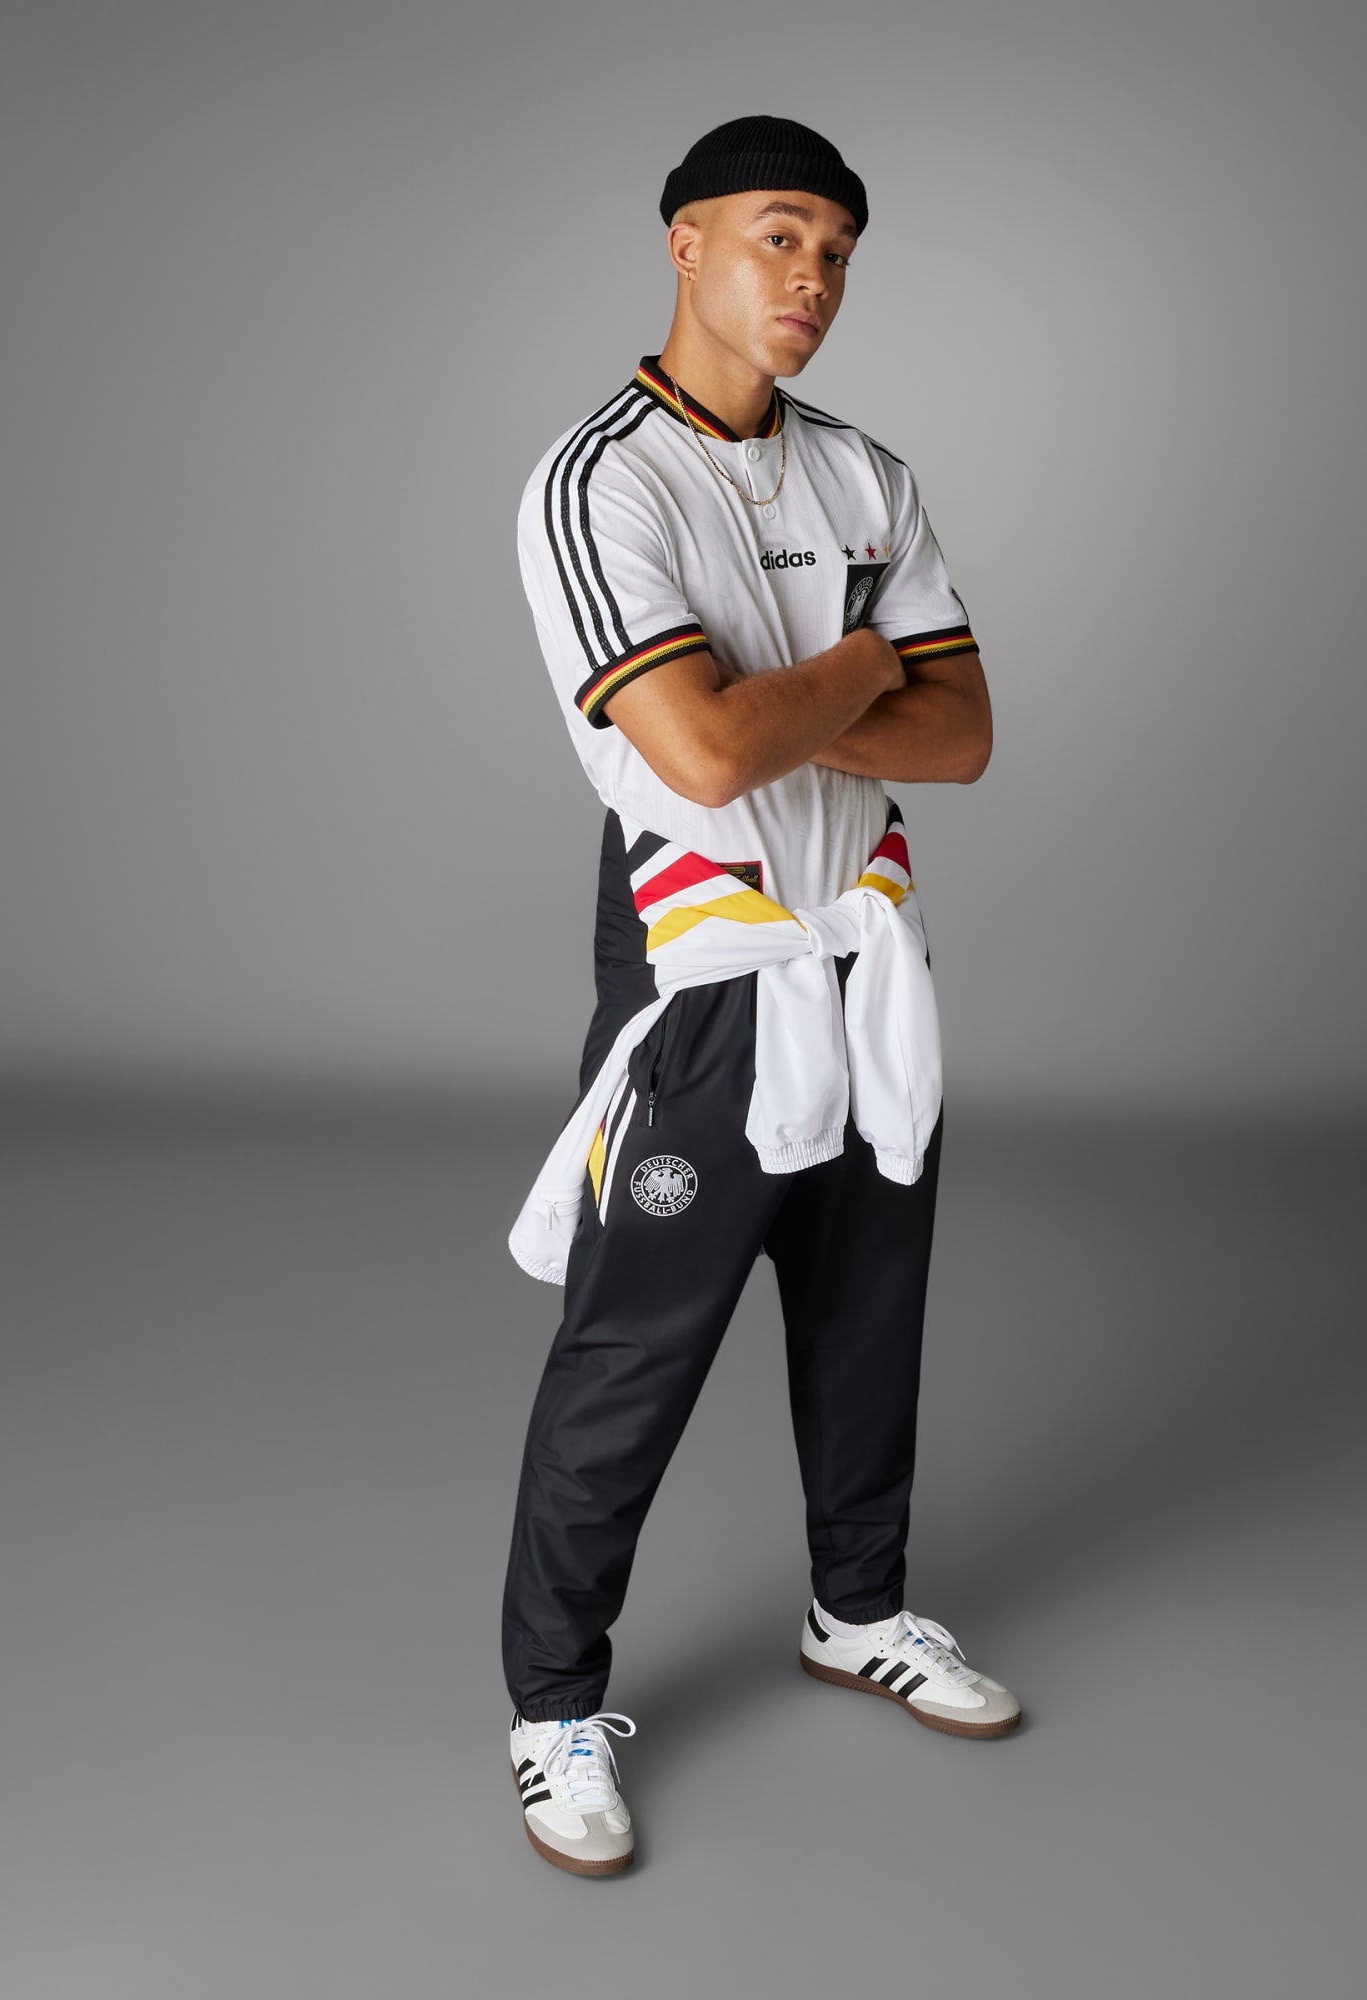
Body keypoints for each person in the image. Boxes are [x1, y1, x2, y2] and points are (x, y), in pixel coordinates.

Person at [500, 115, 1018, 1878]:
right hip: (709, 969)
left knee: (869, 1320)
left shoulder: (867, 473)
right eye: (780, 236)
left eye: (840, 253)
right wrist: (868, 656)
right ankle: (553, 1707)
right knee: (632, 1357)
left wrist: (792, 690)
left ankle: (855, 1611)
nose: (814, 277)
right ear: (686, 242)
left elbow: (966, 737)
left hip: (867, 955)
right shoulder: (601, 482)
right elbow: (704, 759)